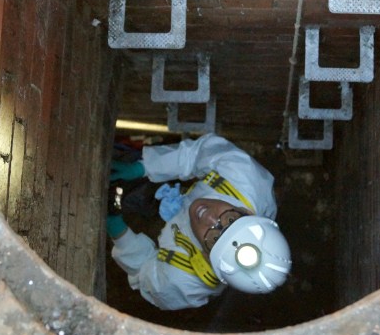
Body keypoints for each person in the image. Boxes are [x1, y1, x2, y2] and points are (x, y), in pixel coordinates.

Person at [106, 133, 292, 310]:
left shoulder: (181, 281)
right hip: (186, 192)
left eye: (213, 239)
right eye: (230, 219)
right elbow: (196, 155)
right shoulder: (244, 177)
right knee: (122, 164)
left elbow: (144, 271)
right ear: (247, 211)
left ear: (205, 257)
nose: (208, 217)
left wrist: (117, 228)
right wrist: (144, 166)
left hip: (170, 234)